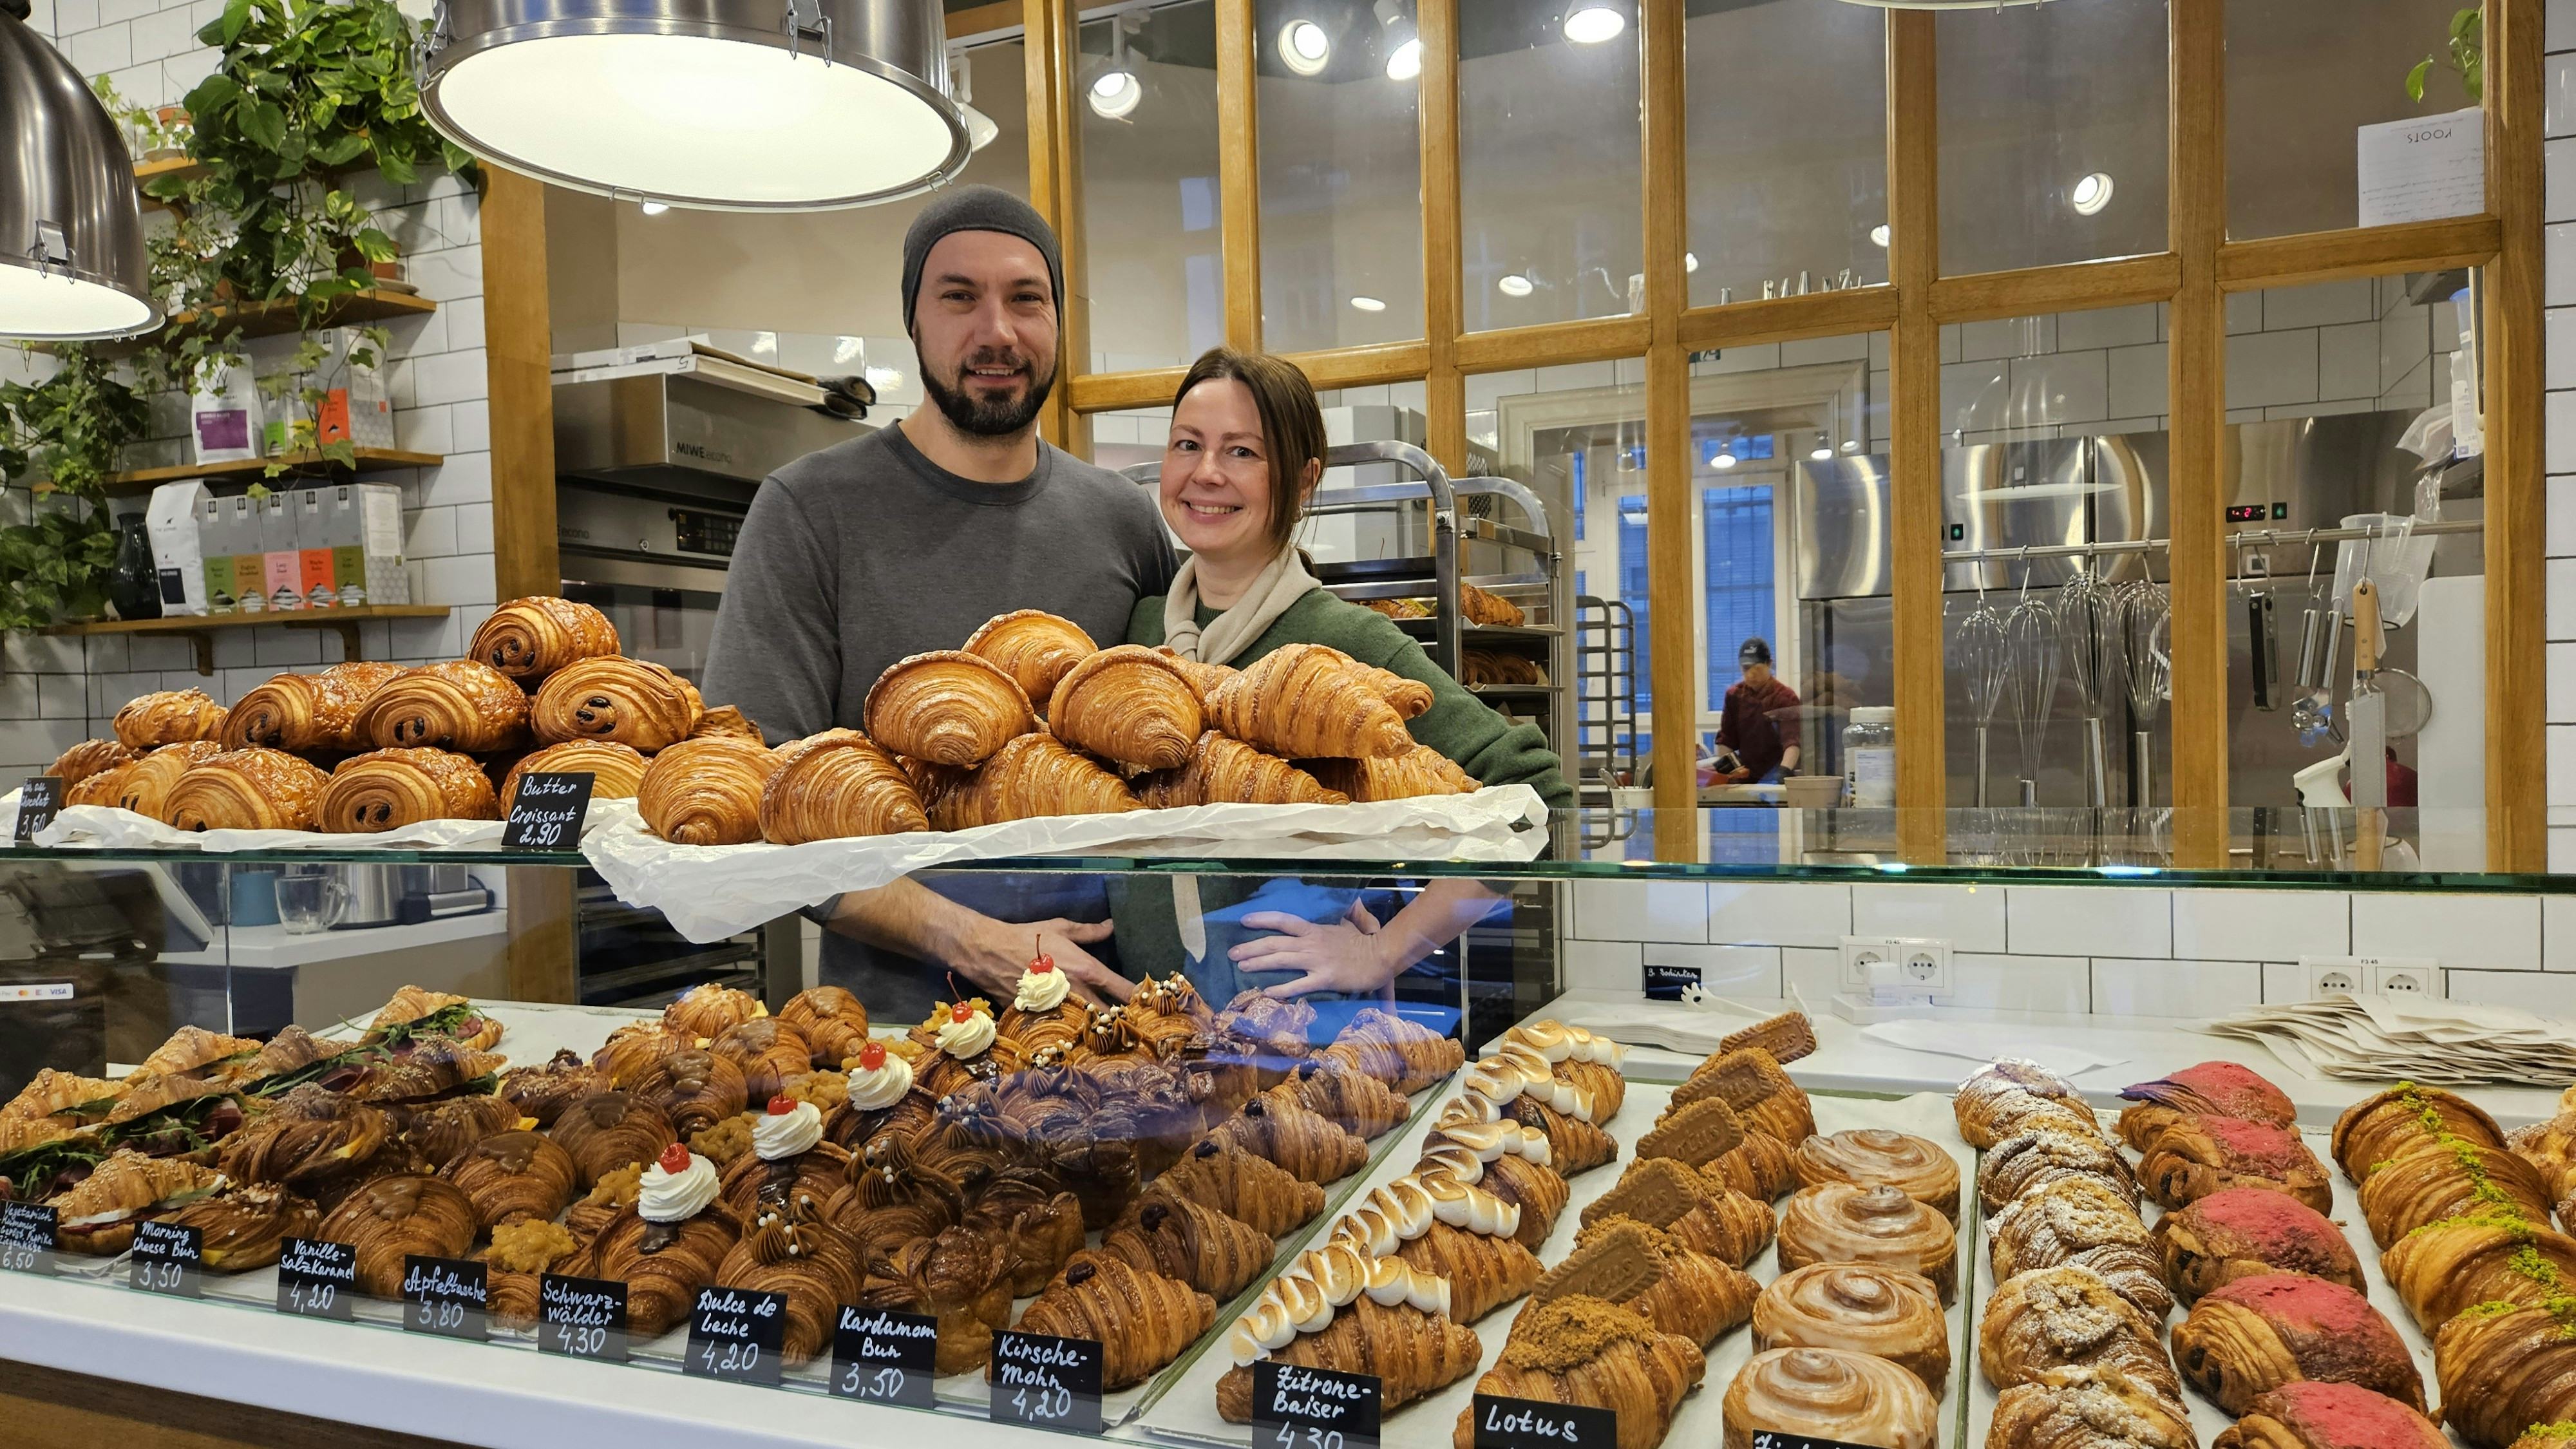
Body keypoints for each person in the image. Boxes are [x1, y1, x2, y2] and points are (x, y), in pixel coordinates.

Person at [701, 185, 1175, 1021]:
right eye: (959, 297)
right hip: (895, 1043)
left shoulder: (1123, 518)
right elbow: (759, 796)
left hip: (1118, 1021)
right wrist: (974, 940)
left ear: (1058, 319)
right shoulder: (811, 509)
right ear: (914, 321)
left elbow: (1179, 755)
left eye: (1027, 298)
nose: (997, 332)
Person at [1110, 347, 1573, 1005]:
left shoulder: (1341, 643)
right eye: (1187, 444)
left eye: (1242, 452)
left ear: (1302, 482)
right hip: (1150, 1039)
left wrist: (1388, 947)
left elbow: (1538, 795)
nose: (1205, 473)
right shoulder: (1139, 635)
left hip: (1298, 1042)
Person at [1713, 636, 1802, 784]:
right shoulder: (1734, 696)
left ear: (1770, 664)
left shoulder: (1785, 697)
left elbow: (1792, 742)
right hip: (1745, 778)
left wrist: (1784, 771)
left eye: (1757, 669)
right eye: (1746, 668)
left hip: (1776, 775)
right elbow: (1727, 740)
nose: (1751, 675)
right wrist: (1726, 771)